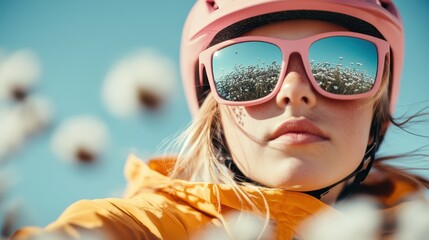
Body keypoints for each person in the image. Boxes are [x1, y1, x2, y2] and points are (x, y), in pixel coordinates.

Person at [11, 0, 429, 239]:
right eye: (249, 72)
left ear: (378, 106)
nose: (293, 89)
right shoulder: (156, 227)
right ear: (214, 112)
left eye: (342, 68)